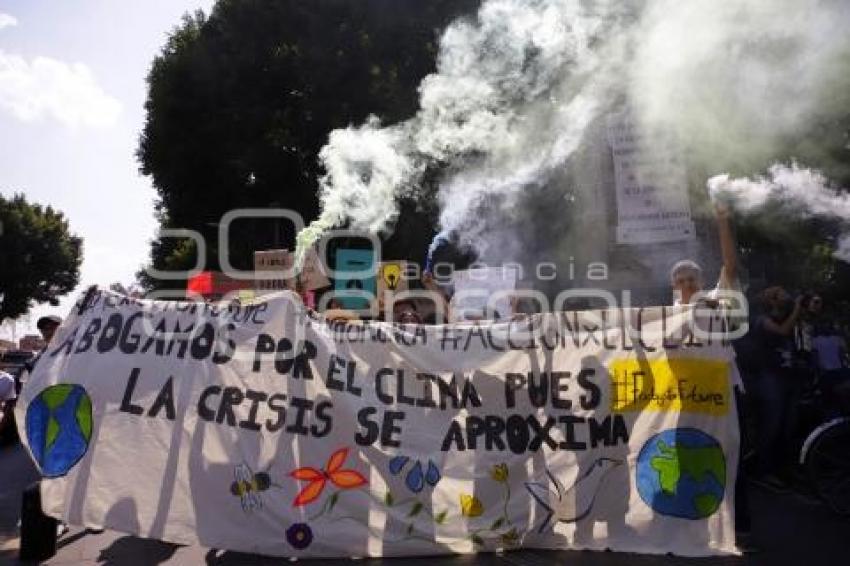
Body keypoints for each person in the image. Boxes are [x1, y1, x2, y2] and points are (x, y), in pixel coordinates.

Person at [748, 287, 804, 484]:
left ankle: (783, 468)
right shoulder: (761, 320)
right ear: (770, 300)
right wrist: (797, 308)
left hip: (788, 377)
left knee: (787, 427)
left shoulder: (786, 316)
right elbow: (783, 331)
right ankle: (763, 471)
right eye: (778, 293)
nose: (784, 294)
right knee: (771, 425)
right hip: (769, 379)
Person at [811, 321, 850, 414]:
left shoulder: (837, 339)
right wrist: (817, 371)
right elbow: (815, 357)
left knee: (839, 395)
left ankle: (840, 413)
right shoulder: (816, 340)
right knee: (830, 396)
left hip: (837, 370)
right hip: (826, 371)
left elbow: (842, 355)